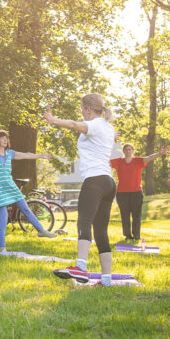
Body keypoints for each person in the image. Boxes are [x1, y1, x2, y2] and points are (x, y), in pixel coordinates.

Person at [44, 93, 117, 285]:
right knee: (101, 231)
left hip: (94, 180)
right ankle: (107, 280)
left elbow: (76, 125)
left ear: (88, 109)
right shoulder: (108, 127)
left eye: (82, 109)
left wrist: (53, 120)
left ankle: (81, 268)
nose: (81, 114)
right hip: (109, 182)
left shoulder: (93, 124)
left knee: (84, 222)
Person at [110, 143, 168, 242]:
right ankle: (128, 236)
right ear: (123, 151)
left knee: (136, 215)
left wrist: (160, 153)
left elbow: (150, 157)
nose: (128, 151)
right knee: (125, 215)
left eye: (130, 149)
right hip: (122, 193)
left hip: (136, 192)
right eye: (126, 149)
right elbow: (104, 162)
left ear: (133, 151)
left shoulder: (138, 161)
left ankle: (136, 236)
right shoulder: (118, 161)